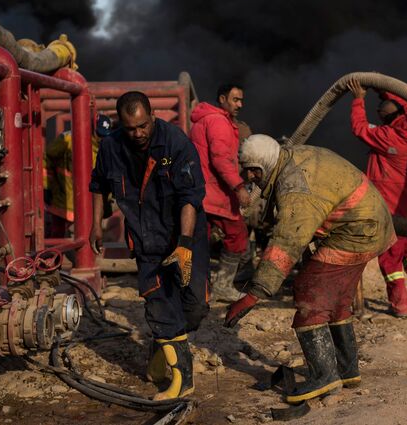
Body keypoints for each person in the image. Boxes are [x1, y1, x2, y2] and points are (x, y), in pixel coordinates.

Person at [224, 135, 395, 404]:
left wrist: (252, 295)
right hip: (369, 224)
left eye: (253, 171)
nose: (250, 178)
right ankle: (346, 370)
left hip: (357, 230)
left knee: (307, 293)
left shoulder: (293, 187)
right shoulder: (289, 158)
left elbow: (287, 241)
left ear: (262, 167)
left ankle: (324, 376)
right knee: (336, 301)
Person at [89, 92, 208, 400]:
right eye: (131, 128)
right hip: (145, 239)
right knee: (160, 304)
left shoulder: (176, 143)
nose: (138, 134)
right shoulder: (111, 148)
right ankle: (183, 381)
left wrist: (183, 246)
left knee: (193, 308)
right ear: (120, 124)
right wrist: (95, 225)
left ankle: (162, 344)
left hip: (184, 234)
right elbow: (98, 185)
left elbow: (190, 198)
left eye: (143, 126)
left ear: (152, 117)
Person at [347, 78, 407, 318]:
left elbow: (359, 127)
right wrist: (384, 89)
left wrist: (358, 99)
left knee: (391, 259)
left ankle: (400, 306)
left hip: (393, 212)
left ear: (384, 119)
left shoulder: (386, 136)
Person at [189, 83, 252, 301]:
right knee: (237, 234)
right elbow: (221, 159)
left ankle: (199, 290)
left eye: (241, 100)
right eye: (235, 100)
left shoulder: (205, 119)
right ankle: (223, 286)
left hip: (200, 192)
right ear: (222, 99)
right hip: (216, 192)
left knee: (200, 240)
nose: (240, 104)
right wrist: (239, 186)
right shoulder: (218, 122)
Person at [44, 114, 112, 238]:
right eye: (99, 135)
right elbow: (45, 159)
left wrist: (107, 201)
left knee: (84, 238)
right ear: (91, 129)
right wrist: (45, 186)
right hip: (62, 198)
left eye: (104, 136)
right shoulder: (69, 140)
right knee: (57, 237)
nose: (101, 139)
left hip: (87, 203)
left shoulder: (107, 149)